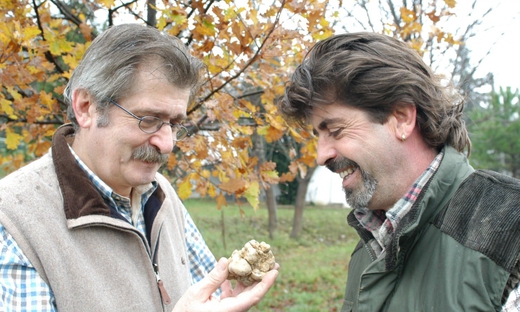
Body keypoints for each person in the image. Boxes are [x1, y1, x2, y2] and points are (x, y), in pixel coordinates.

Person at [0, 23, 278, 311]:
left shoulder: (162, 194)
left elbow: (207, 293)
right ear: (86, 107)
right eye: (149, 119)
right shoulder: (13, 221)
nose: (167, 143)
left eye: (175, 123)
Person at [280, 32, 520, 311]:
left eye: (335, 131)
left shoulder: (509, 233)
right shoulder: (369, 248)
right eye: (317, 137)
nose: (322, 156)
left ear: (402, 118)